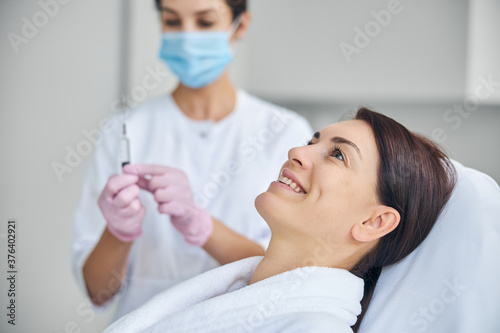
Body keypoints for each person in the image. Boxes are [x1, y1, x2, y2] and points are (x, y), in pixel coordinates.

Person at [102, 108, 457, 332]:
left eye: (337, 154)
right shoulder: (236, 299)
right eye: (312, 140)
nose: (297, 151)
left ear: (374, 222)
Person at [71, 0, 312, 319]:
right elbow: (97, 289)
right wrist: (118, 232)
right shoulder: (125, 130)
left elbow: (295, 272)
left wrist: (203, 227)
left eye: (205, 22)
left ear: (240, 26)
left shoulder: (285, 133)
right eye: (172, 21)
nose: (187, 36)